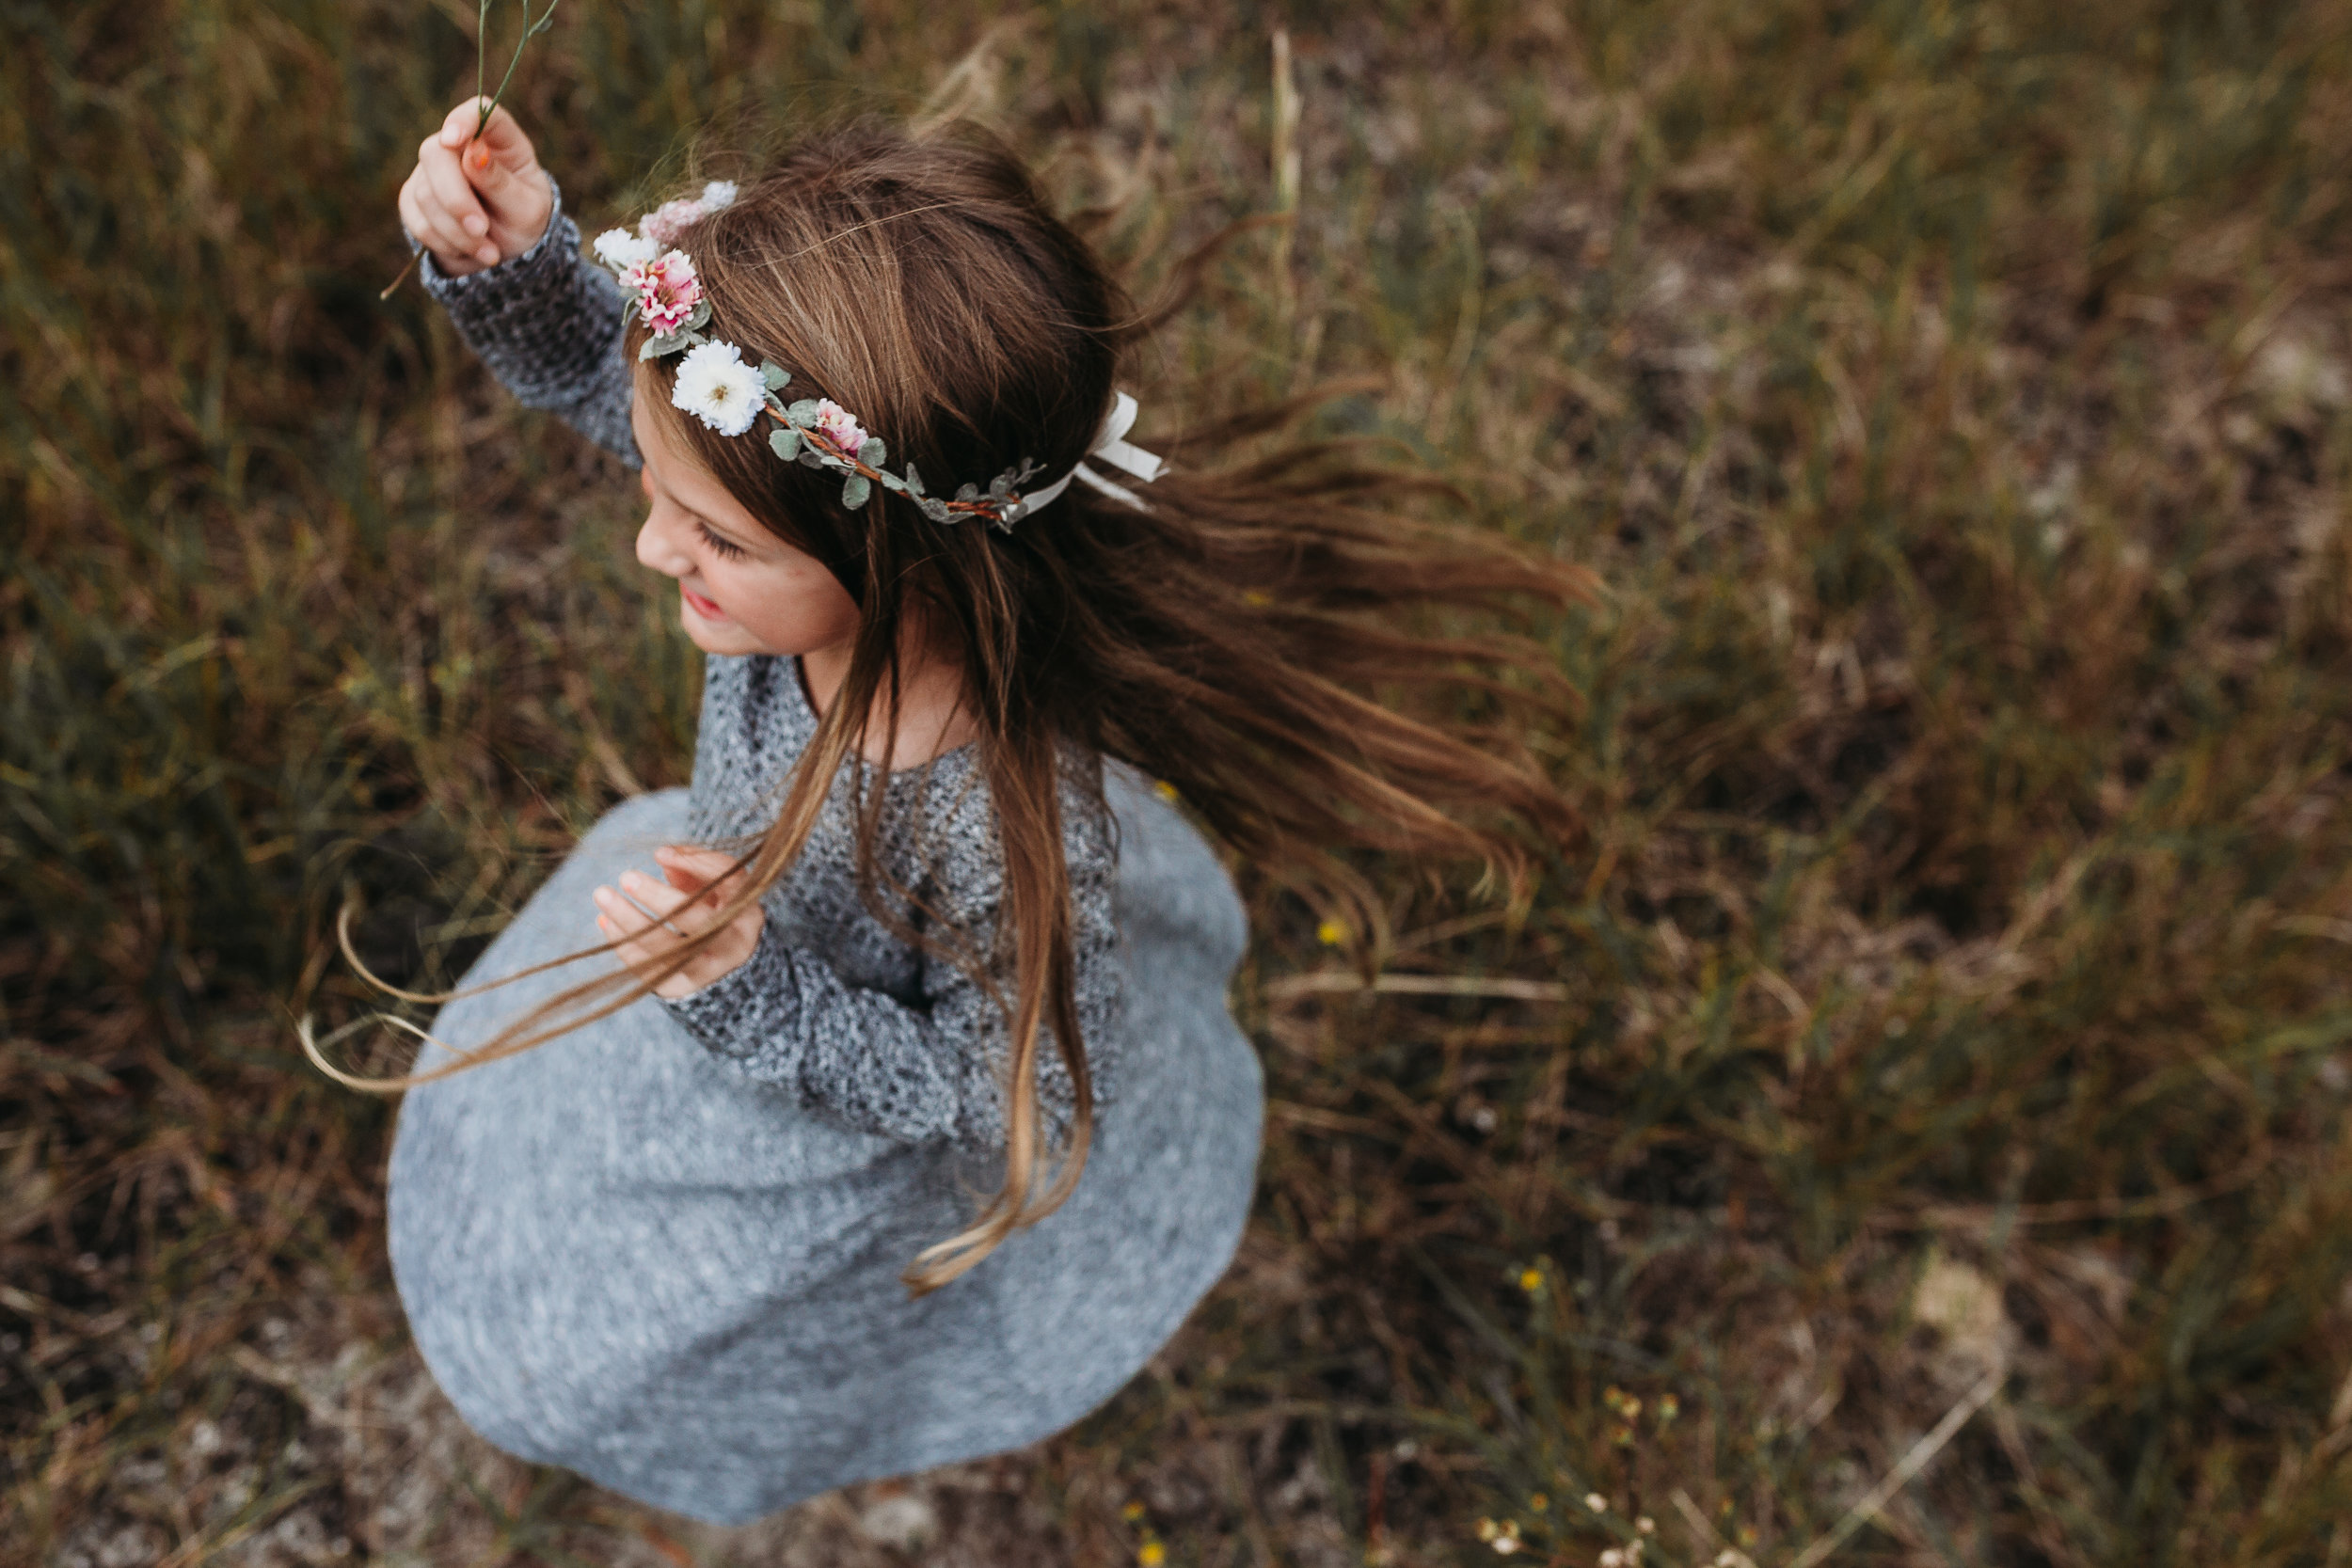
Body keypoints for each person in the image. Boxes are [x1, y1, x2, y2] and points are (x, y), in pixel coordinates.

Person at [359, 95, 1596, 1525]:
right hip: (735, 942)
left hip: (826, 1076)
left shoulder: (997, 827)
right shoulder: (798, 514)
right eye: (665, 490)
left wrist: (759, 995)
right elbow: (639, 400)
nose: (651, 542)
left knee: (613, 1342)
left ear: (893, 559)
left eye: (711, 538)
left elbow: (1014, 1106)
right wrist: (520, 260)